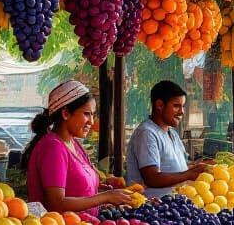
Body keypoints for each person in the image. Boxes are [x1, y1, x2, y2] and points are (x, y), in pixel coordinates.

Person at [21, 80, 135, 213]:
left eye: (93, 115)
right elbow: (56, 203)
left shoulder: (74, 144)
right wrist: (106, 197)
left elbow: (77, 189)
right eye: (86, 114)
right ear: (65, 113)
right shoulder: (53, 148)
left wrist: (104, 190)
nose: (91, 122)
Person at [127, 80, 210, 198]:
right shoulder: (146, 133)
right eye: (176, 106)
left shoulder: (172, 133)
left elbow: (180, 168)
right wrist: (188, 175)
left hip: (175, 207)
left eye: (183, 106)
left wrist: (201, 166)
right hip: (152, 209)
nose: (181, 112)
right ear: (160, 105)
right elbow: (152, 178)